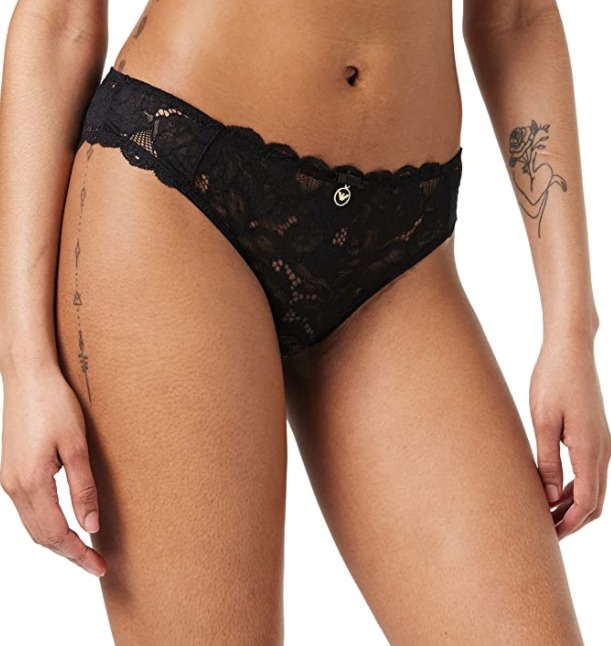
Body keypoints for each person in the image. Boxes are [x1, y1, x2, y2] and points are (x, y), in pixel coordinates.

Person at [0, 0, 608, 643]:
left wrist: (571, 329)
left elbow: (516, 19)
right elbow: (60, 21)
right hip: (179, 188)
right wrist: (24, 364)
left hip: (400, 250)